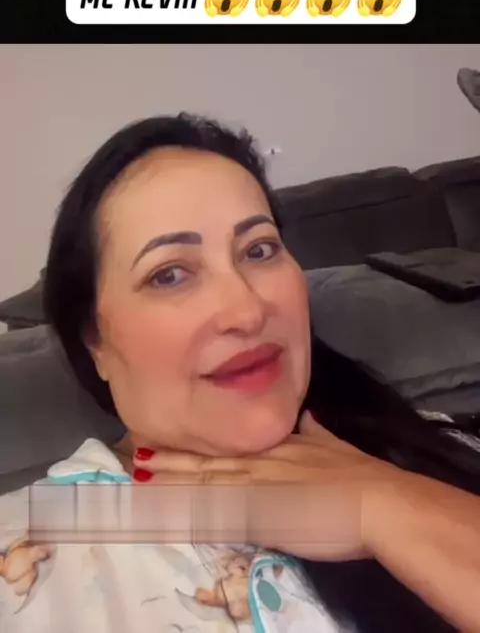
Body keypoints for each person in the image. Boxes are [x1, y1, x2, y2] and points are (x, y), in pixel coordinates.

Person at [1, 113, 480, 633]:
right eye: (169, 274)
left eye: (258, 250)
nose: (247, 312)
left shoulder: (432, 442)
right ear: (94, 340)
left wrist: (389, 505)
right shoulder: (24, 551)